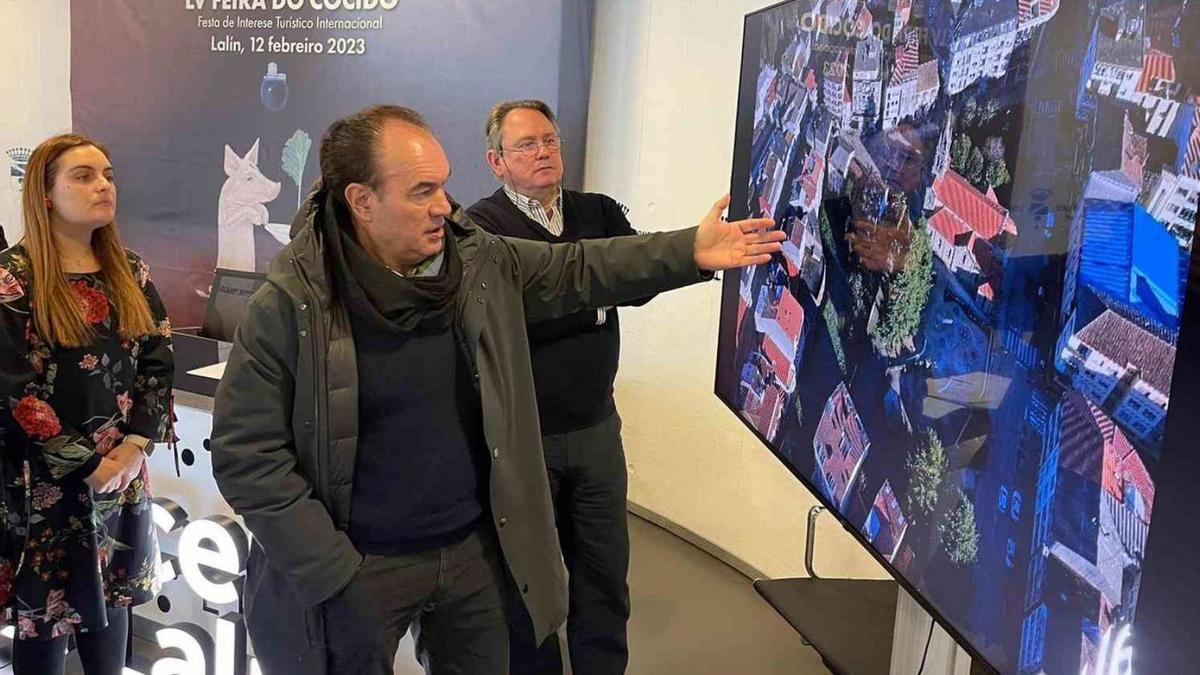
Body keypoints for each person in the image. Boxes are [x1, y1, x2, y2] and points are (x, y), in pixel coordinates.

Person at [209, 104, 782, 675]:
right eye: (422, 191)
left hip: (469, 557)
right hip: (358, 568)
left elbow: (577, 268)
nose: (444, 206)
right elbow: (245, 455)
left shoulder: (474, 258)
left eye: (444, 186)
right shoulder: (292, 302)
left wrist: (689, 251)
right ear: (362, 201)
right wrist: (334, 570)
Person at [467, 99, 642, 674]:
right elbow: (507, 310)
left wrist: (565, 291)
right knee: (529, 588)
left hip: (596, 429)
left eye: (549, 141)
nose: (543, 153)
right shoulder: (480, 228)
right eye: (526, 145)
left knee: (603, 576)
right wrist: (586, 285)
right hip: (524, 440)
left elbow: (637, 280)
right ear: (497, 161)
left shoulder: (599, 211)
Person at [0, 134, 175, 675]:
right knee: (44, 625)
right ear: (46, 193)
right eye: (83, 176)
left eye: (107, 174)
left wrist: (132, 449)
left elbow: (157, 360)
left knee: (114, 608)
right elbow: (13, 390)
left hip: (123, 477)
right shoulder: (14, 280)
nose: (103, 185)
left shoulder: (131, 270)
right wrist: (90, 464)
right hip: (46, 487)